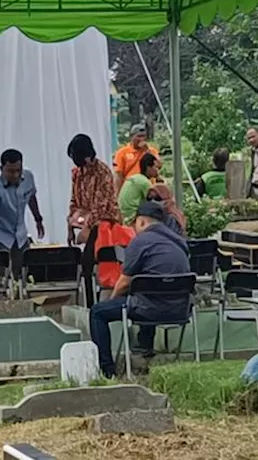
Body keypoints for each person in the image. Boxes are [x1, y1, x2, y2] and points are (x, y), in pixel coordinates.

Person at [88, 201, 191, 378]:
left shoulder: (140, 241)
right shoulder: (180, 242)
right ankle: (145, 350)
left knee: (98, 312)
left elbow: (124, 283)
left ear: (142, 222)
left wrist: (112, 299)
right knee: (148, 292)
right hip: (180, 309)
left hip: (149, 309)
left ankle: (107, 370)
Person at [66, 133, 124, 303]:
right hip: (83, 219)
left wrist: (87, 227)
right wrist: (70, 225)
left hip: (104, 222)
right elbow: (74, 200)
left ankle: (93, 304)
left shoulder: (103, 172)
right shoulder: (77, 173)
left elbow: (101, 205)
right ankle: (88, 299)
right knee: (81, 260)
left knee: (88, 260)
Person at [0, 148, 44, 278]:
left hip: (20, 235)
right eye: (11, 171)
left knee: (23, 274)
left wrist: (38, 219)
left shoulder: (28, 177)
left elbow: (31, 197)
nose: (16, 175)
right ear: (1, 168)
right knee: (3, 276)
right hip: (0, 236)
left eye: (18, 170)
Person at [112, 123, 158, 192]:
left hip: (148, 188)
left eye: (143, 136)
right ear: (131, 137)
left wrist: (147, 151)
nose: (141, 139)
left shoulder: (152, 151)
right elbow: (119, 175)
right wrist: (117, 193)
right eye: (138, 136)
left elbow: (159, 165)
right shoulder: (122, 153)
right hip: (130, 189)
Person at [118, 153, 160, 221]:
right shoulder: (144, 182)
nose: (157, 171)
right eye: (156, 167)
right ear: (148, 168)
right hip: (133, 217)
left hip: (123, 216)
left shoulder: (134, 178)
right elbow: (156, 198)